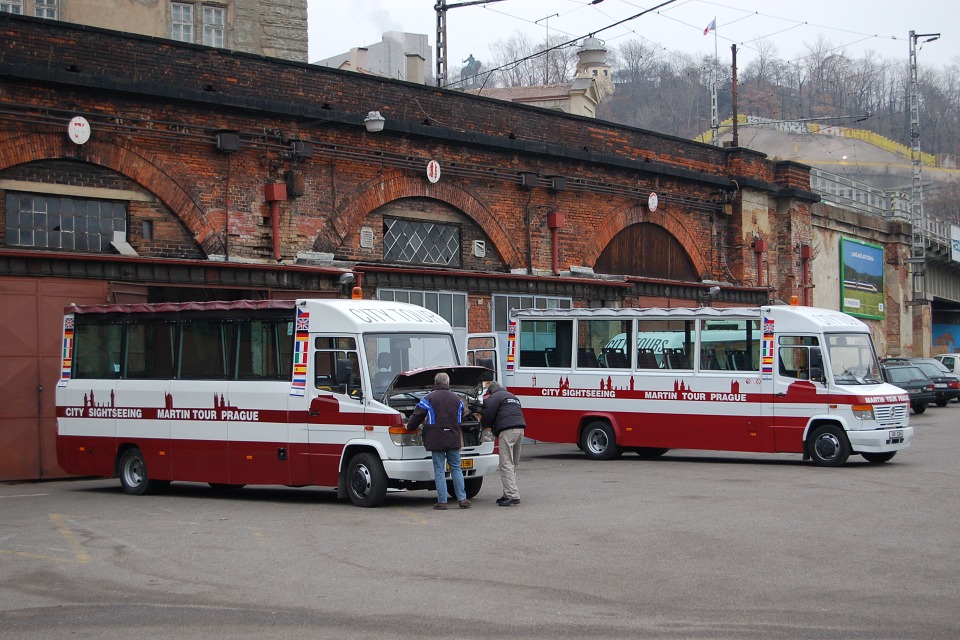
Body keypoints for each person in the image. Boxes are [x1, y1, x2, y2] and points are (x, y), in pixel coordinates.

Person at [406, 371, 471, 510]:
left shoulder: (428, 398)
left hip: (436, 439)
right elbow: (460, 419)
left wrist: (410, 427)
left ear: (435, 383)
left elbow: (417, 415)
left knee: (439, 470)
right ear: (448, 383)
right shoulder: (457, 399)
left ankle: (442, 501)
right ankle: (462, 499)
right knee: (456, 469)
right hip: (453, 438)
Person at [481, 381, 525, 506]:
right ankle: (507, 493)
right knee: (513, 463)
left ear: (491, 392)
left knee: (505, 463)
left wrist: (481, 426)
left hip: (507, 431)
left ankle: (512, 495)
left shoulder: (494, 397)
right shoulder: (512, 396)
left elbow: (487, 415)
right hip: (520, 430)